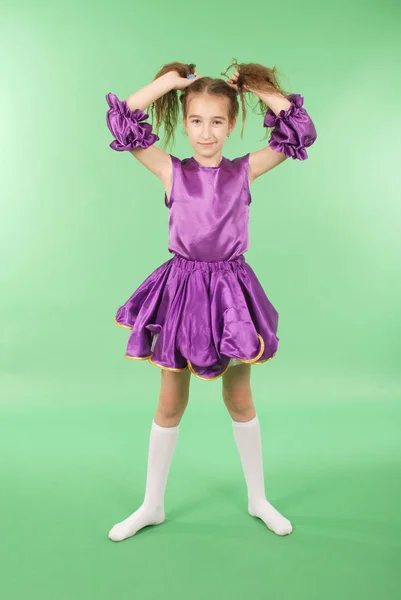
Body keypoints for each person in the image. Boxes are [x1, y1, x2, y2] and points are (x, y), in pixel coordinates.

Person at [105, 59, 317, 542]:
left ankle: (258, 498)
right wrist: (166, 83)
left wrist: (258, 87)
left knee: (239, 396)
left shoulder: (245, 171)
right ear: (184, 121)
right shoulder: (169, 170)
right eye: (196, 120)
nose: (206, 133)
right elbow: (121, 119)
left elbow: (301, 132)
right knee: (170, 399)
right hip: (180, 291)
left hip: (231, 294)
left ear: (232, 124)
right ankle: (151, 504)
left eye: (217, 121)